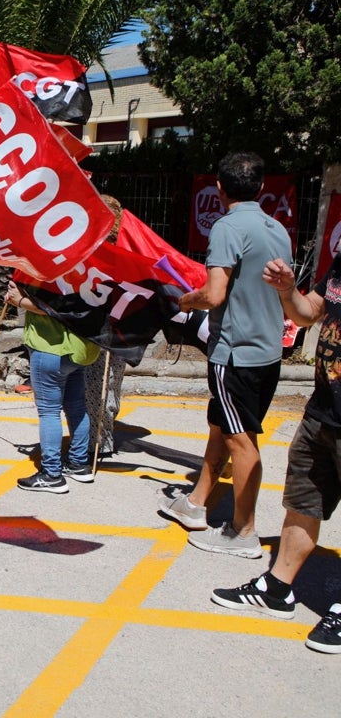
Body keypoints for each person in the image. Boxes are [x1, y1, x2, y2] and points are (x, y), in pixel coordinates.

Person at [159, 152, 292, 557]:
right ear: (262, 187)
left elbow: (214, 294)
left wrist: (184, 301)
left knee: (240, 441)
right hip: (267, 350)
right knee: (221, 425)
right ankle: (197, 502)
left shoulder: (226, 227)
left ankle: (243, 531)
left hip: (234, 353)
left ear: (219, 188)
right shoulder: (278, 230)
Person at [209, 254, 341, 653]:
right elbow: (308, 314)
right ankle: (278, 587)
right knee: (304, 501)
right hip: (324, 410)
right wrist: (287, 291)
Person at [6, 280, 99, 493]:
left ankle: (52, 474)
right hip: (81, 348)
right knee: (76, 407)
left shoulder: (51, 266)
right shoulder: (86, 268)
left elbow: (50, 307)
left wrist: (19, 300)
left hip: (50, 346)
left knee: (49, 411)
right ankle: (78, 463)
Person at [84, 195, 127, 456]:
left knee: (96, 385)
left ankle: (97, 443)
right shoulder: (123, 249)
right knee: (109, 384)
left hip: (104, 327)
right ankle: (101, 439)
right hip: (121, 328)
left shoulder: (108, 251)